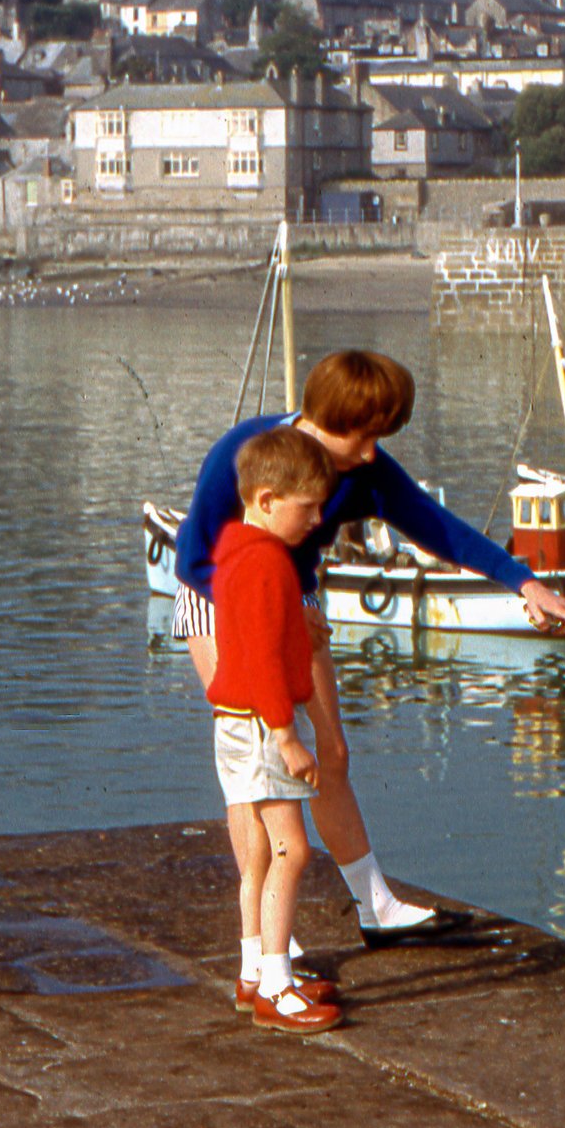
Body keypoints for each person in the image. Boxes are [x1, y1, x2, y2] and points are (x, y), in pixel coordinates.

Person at [172, 349, 565, 946]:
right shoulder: (245, 453)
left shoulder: (366, 469)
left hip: (292, 596)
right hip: (218, 598)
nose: (370, 454)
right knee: (256, 770)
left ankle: (375, 906)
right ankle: (266, 941)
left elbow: (435, 526)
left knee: (331, 751)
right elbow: (193, 561)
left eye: (379, 438)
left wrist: (524, 581)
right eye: (361, 438)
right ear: (320, 421)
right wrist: (281, 615)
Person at [208, 424, 344, 1034]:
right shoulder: (268, 564)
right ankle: (278, 986)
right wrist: (288, 736)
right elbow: (263, 661)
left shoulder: (238, 552)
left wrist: (299, 628)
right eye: (307, 507)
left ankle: (251, 969)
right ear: (266, 500)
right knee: (293, 850)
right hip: (265, 726)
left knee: (259, 853)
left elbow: (251, 632)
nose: (316, 519)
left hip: (232, 723)